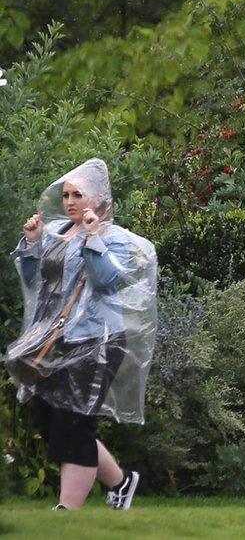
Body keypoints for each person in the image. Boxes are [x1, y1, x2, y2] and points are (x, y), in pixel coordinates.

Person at [5, 158, 158, 510]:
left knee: (73, 421)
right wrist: (31, 246)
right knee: (50, 417)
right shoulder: (56, 234)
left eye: (79, 195)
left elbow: (107, 280)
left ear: (99, 198)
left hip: (96, 341)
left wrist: (92, 237)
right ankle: (122, 482)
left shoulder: (117, 238)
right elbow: (35, 284)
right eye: (66, 195)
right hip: (55, 342)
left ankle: (67, 511)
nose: (71, 202)